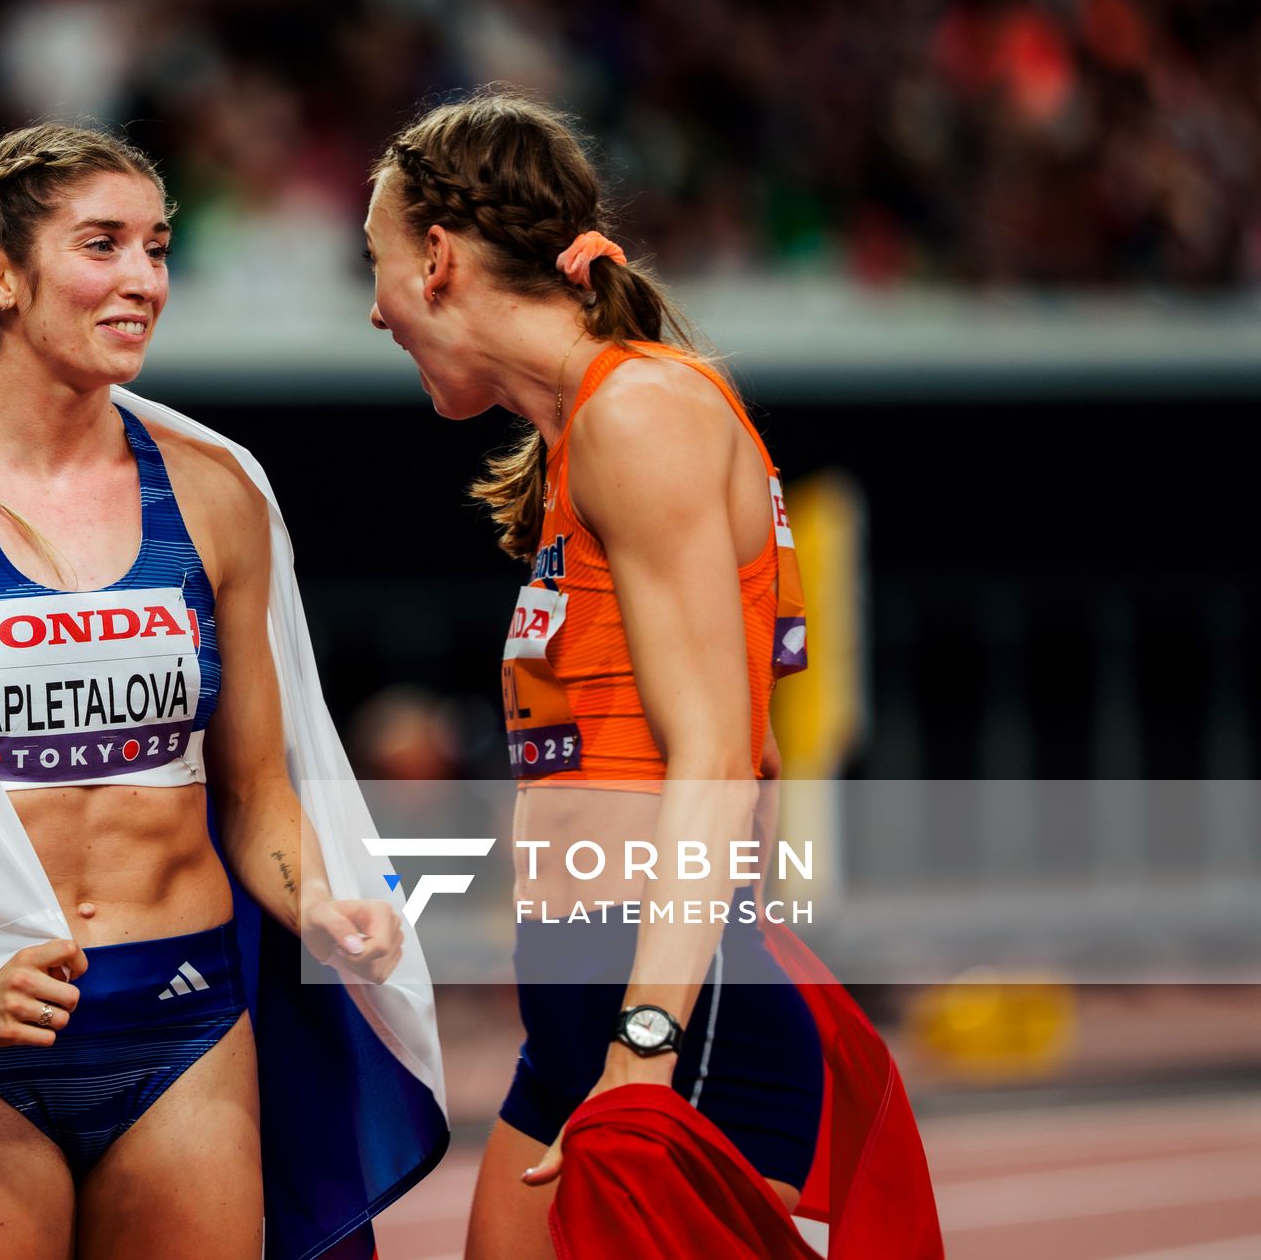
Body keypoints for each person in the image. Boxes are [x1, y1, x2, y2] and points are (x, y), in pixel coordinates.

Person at [0, 122, 447, 1260]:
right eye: (101, 245)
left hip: (186, 1012)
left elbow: (257, 793)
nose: (144, 280)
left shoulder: (216, 495)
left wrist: (322, 904)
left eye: (157, 246)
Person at [362, 89, 939, 1258]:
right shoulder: (585, 437)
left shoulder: (642, 413)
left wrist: (648, 1033)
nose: (373, 311)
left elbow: (722, 756)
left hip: (662, 1005)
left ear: (434, 260)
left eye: (370, 264)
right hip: (589, 989)